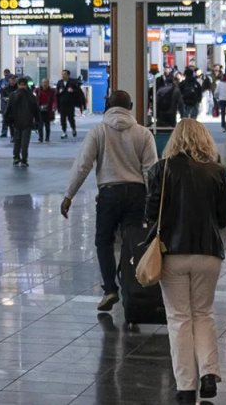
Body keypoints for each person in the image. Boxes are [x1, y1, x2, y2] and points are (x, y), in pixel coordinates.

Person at [145, 119, 226, 402]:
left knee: (179, 318)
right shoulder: (218, 171)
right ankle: (209, 372)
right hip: (208, 252)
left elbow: (151, 213)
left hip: (173, 253)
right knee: (203, 313)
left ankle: (185, 386)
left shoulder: (162, 169)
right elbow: (223, 217)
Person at [61, 91, 158, 312]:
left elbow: (83, 165)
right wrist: (153, 200)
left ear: (107, 105)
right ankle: (131, 286)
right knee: (131, 241)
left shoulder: (98, 132)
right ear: (131, 106)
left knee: (103, 241)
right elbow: (151, 171)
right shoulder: (143, 134)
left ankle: (110, 289)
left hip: (109, 193)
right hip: (137, 194)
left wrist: (69, 195)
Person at [3, 79, 39, 167]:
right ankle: (21, 159)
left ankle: (18, 158)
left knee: (20, 142)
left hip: (20, 122)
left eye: (23, 85)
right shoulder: (30, 96)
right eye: (21, 85)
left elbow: (8, 109)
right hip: (22, 122)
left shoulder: (14, 95)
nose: (22, 86)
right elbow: (36, 110)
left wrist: (7, 120)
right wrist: (37, 121)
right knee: (21, 142)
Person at [57, 70, 85, 138]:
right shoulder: (60, 82)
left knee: (71, 118)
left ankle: (73, 129)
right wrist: (59, 91)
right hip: (62, 104)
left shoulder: (73, 82)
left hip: (70, 104)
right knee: (62, 119)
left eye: (65, 74)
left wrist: (73, 90)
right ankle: (64, 132)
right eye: (62, 74)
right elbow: (57, 93)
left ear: (68, 75)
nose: (63, 75)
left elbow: (78, 91)